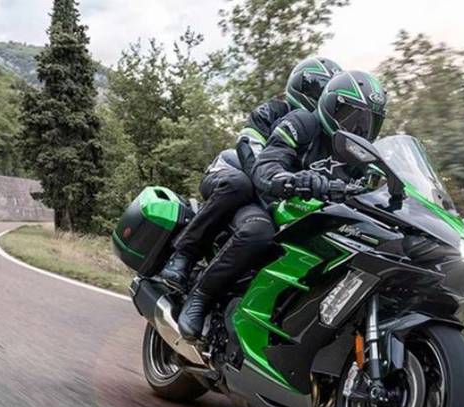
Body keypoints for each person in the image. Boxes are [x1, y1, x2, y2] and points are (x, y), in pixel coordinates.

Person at [178, 70, 388, 341]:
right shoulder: (304, 122)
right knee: (258, 232)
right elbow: (266, 166)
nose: (361, 128)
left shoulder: (360, 159)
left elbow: (376, 191)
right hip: (268, 203)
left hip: (314, 219)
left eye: (371, 122)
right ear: (331, 106)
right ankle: (200, 297)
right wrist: (292, 179)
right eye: (353, 116)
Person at [159, 57, 343, 292]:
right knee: (241, 184)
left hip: (272, 195)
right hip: (230, 176)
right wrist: (278, 182)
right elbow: (250, 150)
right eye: (320, 91)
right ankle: (184, 255)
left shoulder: (321, 139)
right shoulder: (272, 112)